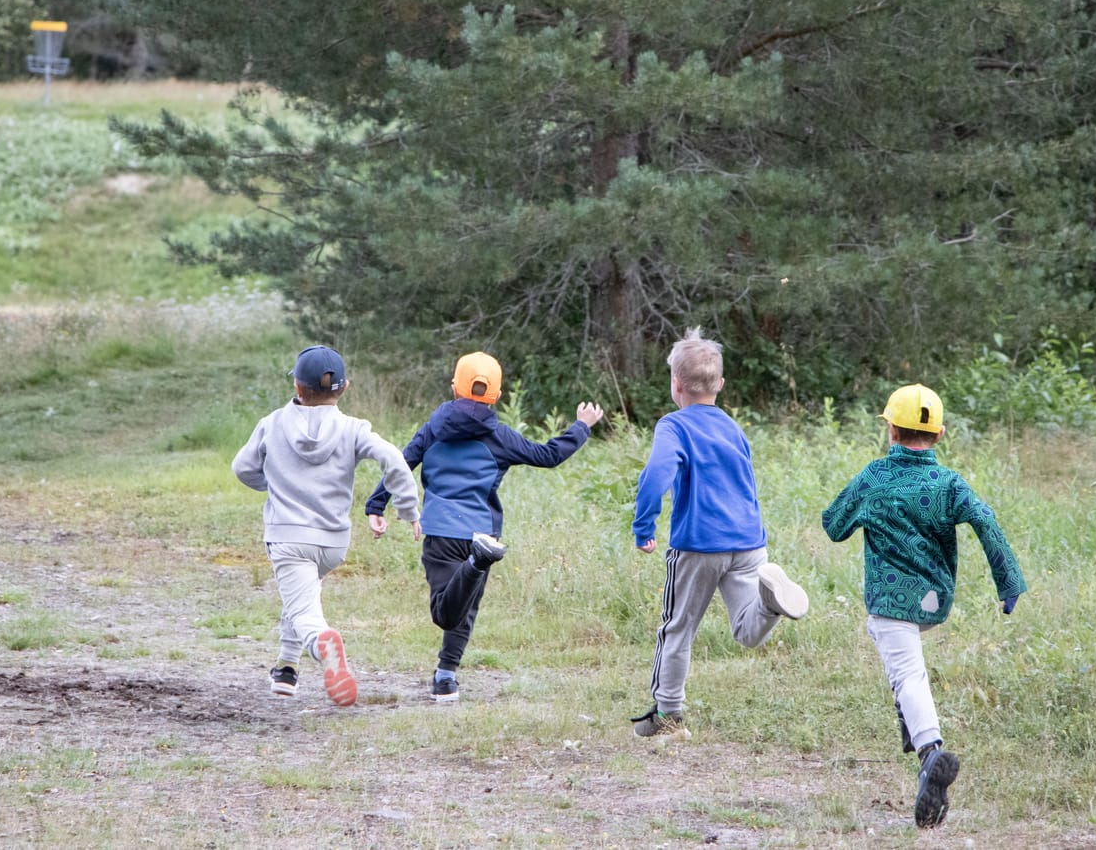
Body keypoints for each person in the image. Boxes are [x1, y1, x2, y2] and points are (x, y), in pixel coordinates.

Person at [822, 383, 1027, 828]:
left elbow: (833, 526)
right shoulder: (949, 483)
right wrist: (1008, 582)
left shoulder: (875, 477)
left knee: (907, 673)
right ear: (940, 434)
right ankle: (913, 731)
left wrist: (863, 511)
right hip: (934, 600)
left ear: (891, 431)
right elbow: (985, 520)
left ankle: (930, 751)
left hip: (890, 599)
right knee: (899, 656)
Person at [365, 350, 604, 703]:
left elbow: (402, 465)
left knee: (446, 612)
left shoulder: (433, 429)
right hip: (481, 534)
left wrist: (377, 504)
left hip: (442, 533)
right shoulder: (500, 437)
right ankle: (445, 676)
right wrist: (581, 426)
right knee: (464, 607)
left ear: (454, 387)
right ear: (497, 396)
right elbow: (548, 456)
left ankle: (446, 673)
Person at [629, 327, 808, 738]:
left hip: (699, 545)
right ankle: (771, 602)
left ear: (676, 383)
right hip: (749, 542)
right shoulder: (733, 428)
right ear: (720, 384)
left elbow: (655, 474)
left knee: (677, 628)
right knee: (747, 631)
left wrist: (644, 527)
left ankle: (668, 715)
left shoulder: (673, 426)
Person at [232, 345, 420, 706]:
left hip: (289, 536)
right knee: (301, 594)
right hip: (333, 543)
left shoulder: (272, 424)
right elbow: (394, 459)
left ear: (297, 387)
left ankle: (323, 646)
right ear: (344, 387)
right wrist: (408, 508)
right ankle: (286, 670)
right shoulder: (353, 429)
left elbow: (242, 468)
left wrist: (273, 485)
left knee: (304, 612)